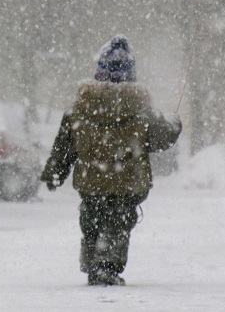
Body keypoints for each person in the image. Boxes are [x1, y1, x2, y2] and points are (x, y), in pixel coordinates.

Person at [40, 34, 182, 286]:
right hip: (128, 183)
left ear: (99, 73)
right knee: (119, 222)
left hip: (91, 181)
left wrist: (55, 172)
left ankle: (92, 260)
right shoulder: (142, 111)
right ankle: (107, 266)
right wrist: (174, 122)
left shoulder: (79, 110)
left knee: (91, 217)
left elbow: (64, 147)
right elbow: (163, 138)